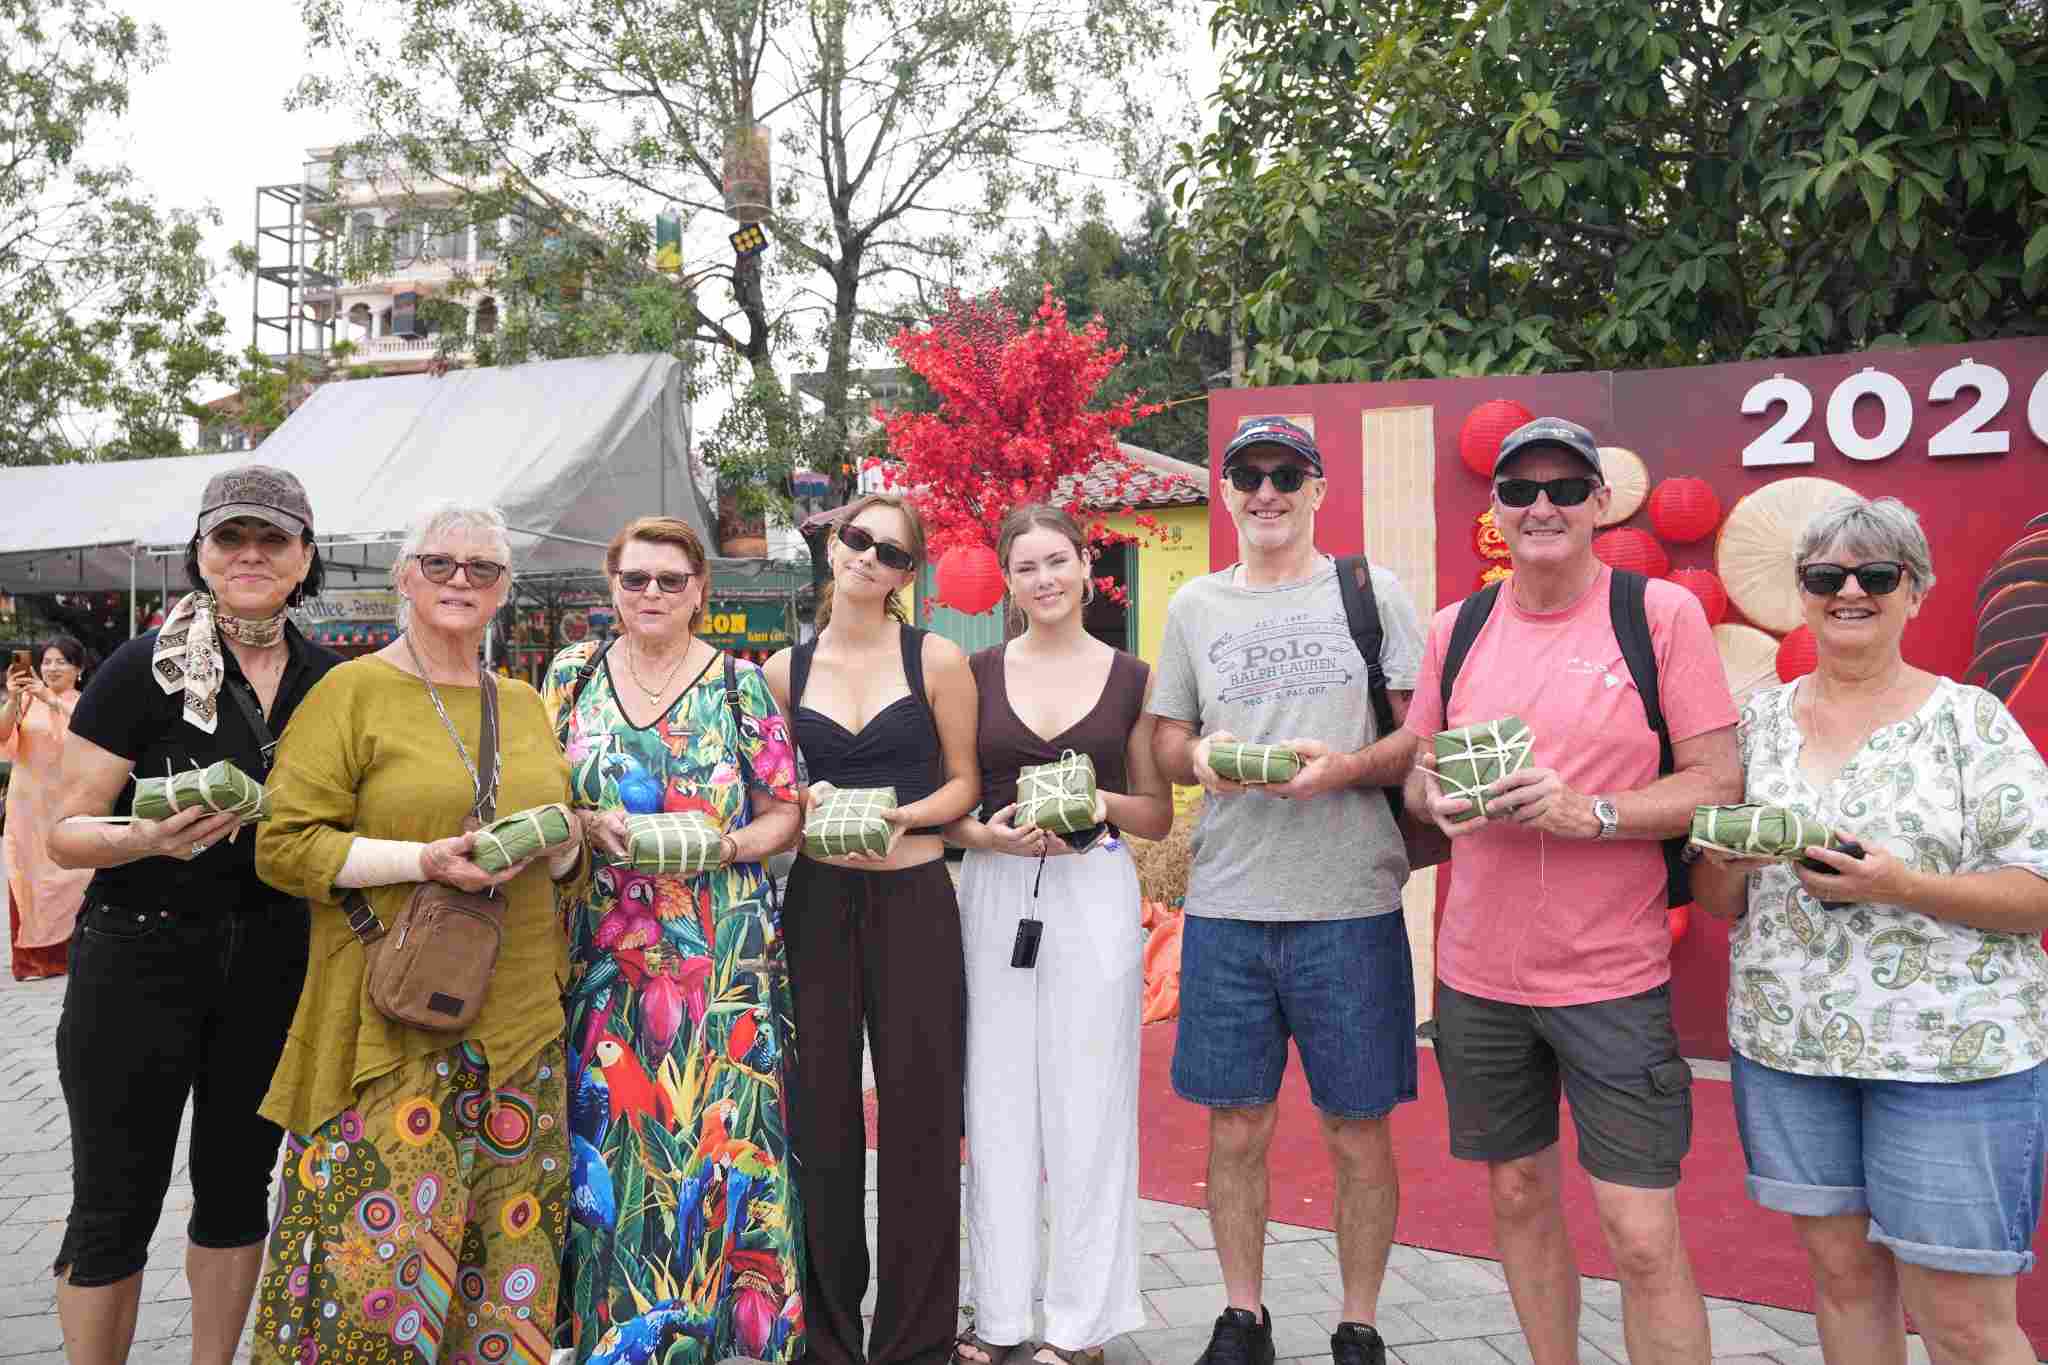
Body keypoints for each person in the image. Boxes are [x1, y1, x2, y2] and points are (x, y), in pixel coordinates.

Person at [1402, 417, 1740, 1365]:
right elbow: (1422, 775)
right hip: (1478, 978)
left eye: (1564, 487)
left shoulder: (1659, 614)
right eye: (1520, 489)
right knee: (1515, 1195)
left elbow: (1716, 782)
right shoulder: (1454, 629)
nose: (1541, 505)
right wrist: (1441, 800)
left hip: (1613, 975)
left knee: (1640, 1231)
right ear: (1496, 511)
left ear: (1599, 502)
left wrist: (1589, 812)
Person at [1692, 496, 2048, 1365]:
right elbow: (1715, 900)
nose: (1850, 589)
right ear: (1803, 595)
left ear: (1914, 591)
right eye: (1826, 576)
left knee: (1963, 1319)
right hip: (1791, 1050)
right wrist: (1729, 865)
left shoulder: (1970, 722)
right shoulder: (1757, 723)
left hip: (1950, 1058)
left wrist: (1904, 885)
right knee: (1845, 1287)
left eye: (1876, 574)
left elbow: (2038, 889)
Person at [249, 501, 584, 1364]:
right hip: (394, 1018)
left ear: (504, 590)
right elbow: (284, 846)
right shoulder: (351, 692)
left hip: (521, 1030)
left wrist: (574, 838)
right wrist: (421, 859)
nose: (460, 581)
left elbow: (557, 833)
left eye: (482, 569)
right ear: (404, 577)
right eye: (440, 564)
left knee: (508, 1276)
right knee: (380, 1279)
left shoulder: (524, 701)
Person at [45, 467, 342, 1365]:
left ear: (305, 558)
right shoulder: (142, 669)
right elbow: (63, 834)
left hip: (273, 964)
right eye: (231, 538)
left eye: (272, 539)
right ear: (201, 554)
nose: (251, 554)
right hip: (139, 957)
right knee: (114, 1202)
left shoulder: (333, 682)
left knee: (236, 1188)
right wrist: (146, 840)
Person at [1148, 417, 1427, 1365]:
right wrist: (1202, 758)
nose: (1265, 492)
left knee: (1357, 1128)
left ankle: (1359, 1324)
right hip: (1229, 903)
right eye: (1248, 475)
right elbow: (1164, 737)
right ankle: (1242, 1315)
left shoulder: (1370, 591)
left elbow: (1416, 737)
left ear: (1316, 488)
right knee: (1235, 1124)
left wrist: (1346, 767)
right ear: (1226, 491)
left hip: (1350, 904)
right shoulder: (1195, 605)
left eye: (1284, 474)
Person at [544, 516, 806, 1362]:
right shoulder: (570, 676)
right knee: (611, 1148)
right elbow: (540, 800)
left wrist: (724, 845)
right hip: (602, 956)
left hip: (717, 963)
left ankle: (732, 1341)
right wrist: (586, 819)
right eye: (634, 579)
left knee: (724, 1144)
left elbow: (786, 815)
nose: (651, 593)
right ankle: (609, 1340)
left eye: (669, 579)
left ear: (701, 588)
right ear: (610, 587)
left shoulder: (739, 686)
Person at [947, 504, 1173, 1365]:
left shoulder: (1133, 676)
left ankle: (1080, 1326)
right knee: (996, 1104)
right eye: (1025, 566)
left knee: (1091, 1106)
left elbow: (1154, 814)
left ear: (1087, 567)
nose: (1042, 579)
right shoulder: (976, 670)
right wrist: (990, 833)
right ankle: (1000, 1314)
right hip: (998, 889)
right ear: (1008, 581)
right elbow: (953, 807)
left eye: (1057, 561)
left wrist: (1088, 795)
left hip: (1091, 891)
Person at [762, 492, 980, 1365]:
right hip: (817, 903)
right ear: (831, 545)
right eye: (857, 539)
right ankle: (826, 1336)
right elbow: (773, 797)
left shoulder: (937, 658)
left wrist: (905, 814)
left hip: (915, 898)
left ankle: (915, 1340)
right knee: (818, 1119)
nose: (868, 558)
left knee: (923, 1116)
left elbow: (966, 781)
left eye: (890, 553)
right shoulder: (783, 671)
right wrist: (798, 804)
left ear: (906, 575)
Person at [3, 635, 92, 979]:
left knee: (73, 874)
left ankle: (70, 955)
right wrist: (13, 698)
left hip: (70, 802)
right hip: (28, 806)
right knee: (28, 873)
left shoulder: (86, 702)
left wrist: (52, 701)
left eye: (61, 662)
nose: (51, 668)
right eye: (46, 662)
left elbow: (87, 733)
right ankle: (33, 960)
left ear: (79, 669)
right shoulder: (26, 702)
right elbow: (3, 734)